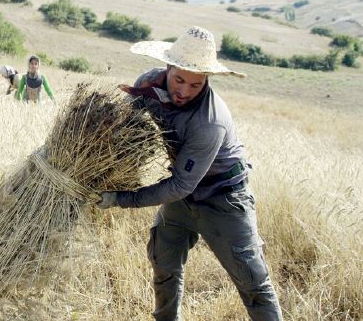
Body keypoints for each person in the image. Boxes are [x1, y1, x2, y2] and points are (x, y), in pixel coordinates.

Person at [97, 26, 282, 320]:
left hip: (224, 199)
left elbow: (180, 185)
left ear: (206, 80)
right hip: (183, 195)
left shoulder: (209, 122)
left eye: (195, 85)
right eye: (179, 79)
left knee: (252, 282)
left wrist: (121, 198)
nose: (184, 91)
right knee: (163, 260)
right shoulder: (148, 83)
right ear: (168, 67)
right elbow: (124, 124)